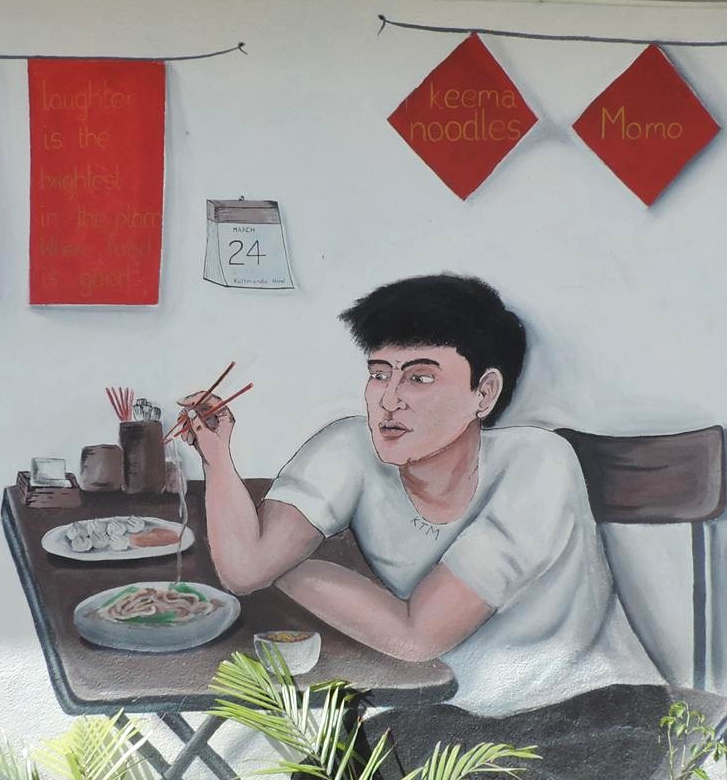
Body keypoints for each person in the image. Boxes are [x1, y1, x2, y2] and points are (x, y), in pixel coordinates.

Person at [178, 271, 663, 726]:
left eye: (420, 377)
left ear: (484, 393)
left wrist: (284, 566)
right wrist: (217, 457)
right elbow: (244, 571)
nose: (389, 400)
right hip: (452, 715)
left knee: (339, 779)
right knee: (318, 777)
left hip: (596, 713)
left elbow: (417, 636)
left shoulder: (538, 464)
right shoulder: (350, 448)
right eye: (379, 374)